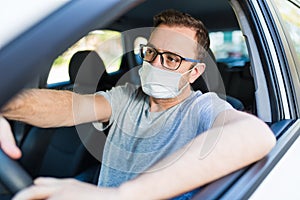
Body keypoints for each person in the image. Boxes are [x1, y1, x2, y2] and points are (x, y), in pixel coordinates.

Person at [0, 9, 275, 200]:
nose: (155, 63)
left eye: (172, 59)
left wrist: (120, 196)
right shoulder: (126, 96)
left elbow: (256, 134)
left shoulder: (202, 108)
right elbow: (72, 106)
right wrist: (5, 103)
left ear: (195, 72)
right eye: (152, 52)